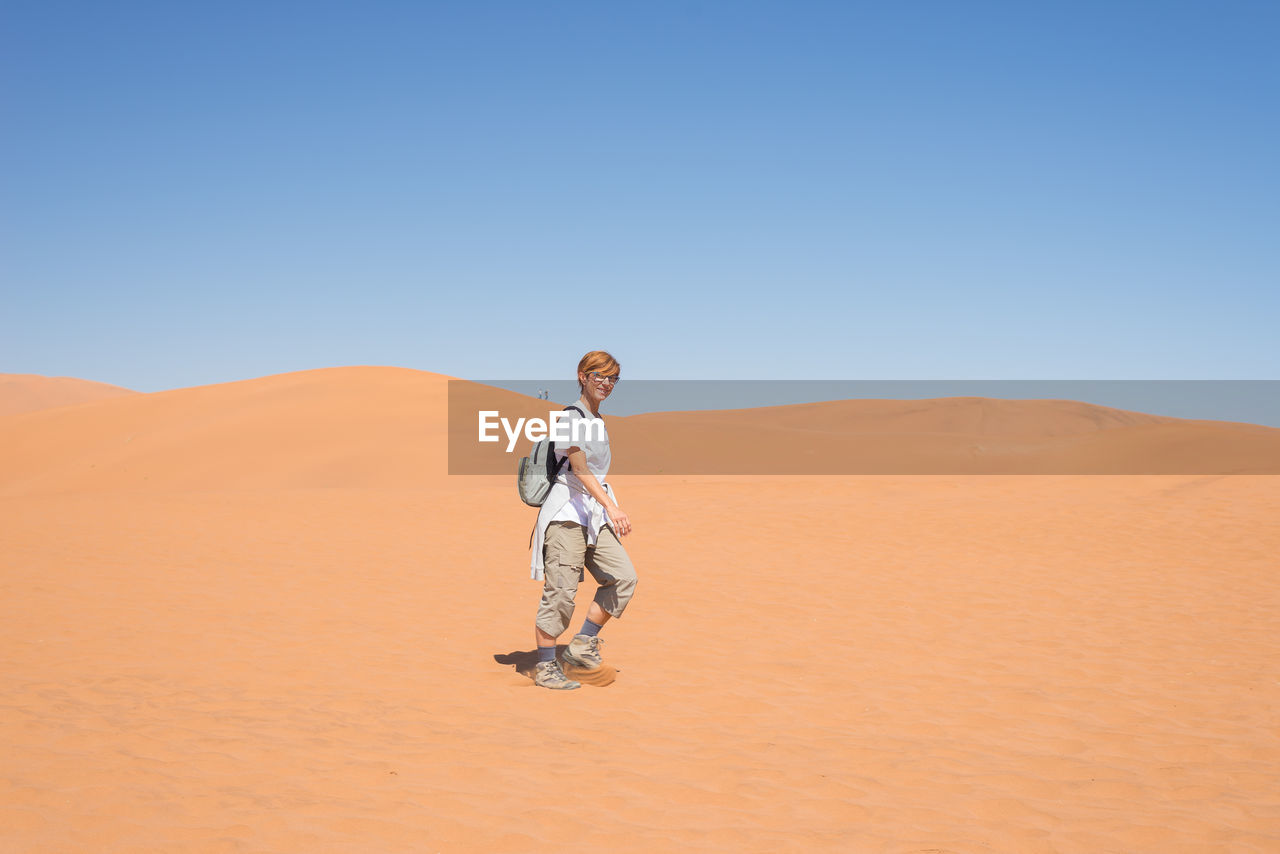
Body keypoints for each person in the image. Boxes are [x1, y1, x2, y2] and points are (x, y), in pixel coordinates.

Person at [529, 350, 637, 690]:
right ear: (582, 376)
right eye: (598, 376)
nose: (606, 383)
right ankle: (546, 667)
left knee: (623, 578)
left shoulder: (598, 421)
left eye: (612, 378)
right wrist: (612, 507)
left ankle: (581, 645)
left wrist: (604, 507)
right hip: (566, 514)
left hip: (592, 514)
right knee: (561, 592)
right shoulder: (571, 418)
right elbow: (580, 469)